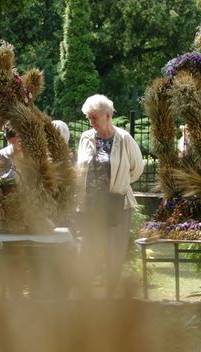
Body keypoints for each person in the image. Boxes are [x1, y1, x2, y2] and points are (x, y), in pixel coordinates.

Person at [76, 94, 144, 296]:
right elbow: (80, 167)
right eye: (89, 118)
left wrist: (120, 183)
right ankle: (86, 296)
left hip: (116, 204)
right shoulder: (86, 137)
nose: (91, 122)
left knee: (114, 252)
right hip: (90, 204)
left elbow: (137, 169)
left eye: (94, 117)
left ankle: (110, 296)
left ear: (107, 116)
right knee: (88, 249)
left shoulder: (123, 139)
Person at [0, 122, 22, 190]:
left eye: (23, 136)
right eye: (17, 136)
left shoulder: (32, 155)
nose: (21, 139)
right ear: (9, 139)